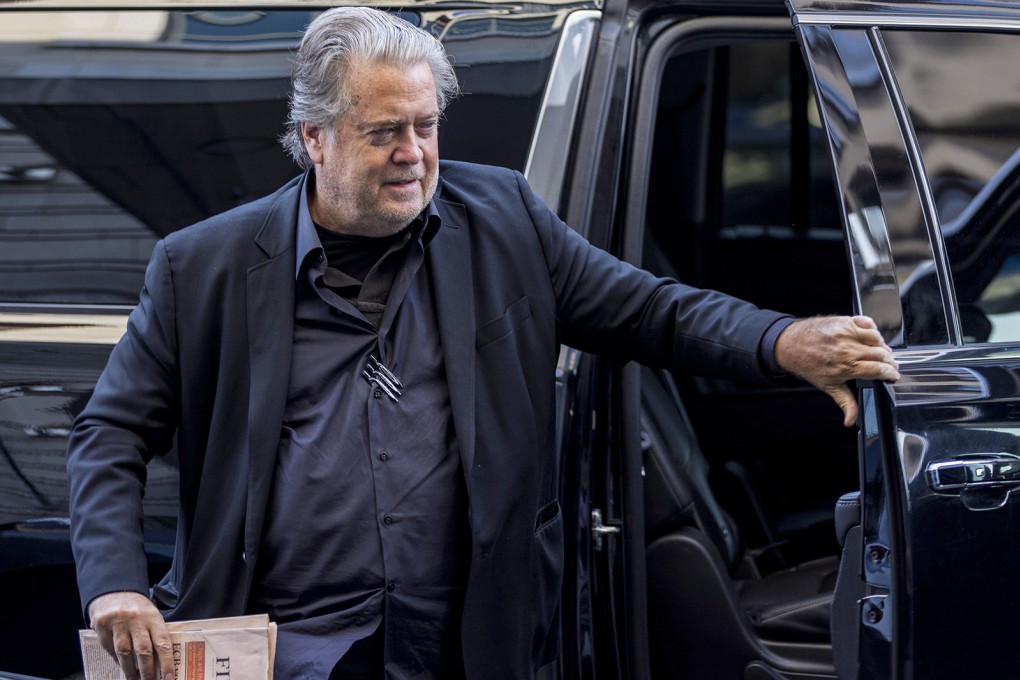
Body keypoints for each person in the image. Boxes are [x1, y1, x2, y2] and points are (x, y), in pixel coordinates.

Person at [66, 7, 900, 680]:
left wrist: (784, 341)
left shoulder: (504, 219)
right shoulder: (201, 265)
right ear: (313, 138)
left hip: (464, 639)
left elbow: (653, 312)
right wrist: (114, 587)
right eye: (384, 131)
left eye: (427, 126)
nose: (414, 155)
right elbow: (109, 433)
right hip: (287, 648)